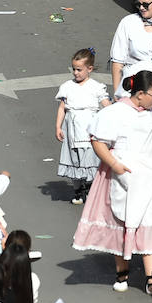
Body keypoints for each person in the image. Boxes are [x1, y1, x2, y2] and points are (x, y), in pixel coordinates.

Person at [71, 70, 152, 297]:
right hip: (123, 175)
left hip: (151, 175)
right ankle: (122, 272)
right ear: (141, 94)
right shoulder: (115, 112)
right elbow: (98, 141)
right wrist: (115, 165)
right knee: (122, 222)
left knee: (150, 224)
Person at [55, 48, 110, 205]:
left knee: (91, 160)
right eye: (74, 69)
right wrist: (58, 127)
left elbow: (106, 105)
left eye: (79, 69)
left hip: (89, 130)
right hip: (72, 130)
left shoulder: (96, 87)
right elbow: (62, 108)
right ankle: (78, 190)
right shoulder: (67, 86)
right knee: (74, 160)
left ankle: (92, 188)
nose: (75, 73)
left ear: (89, 69)